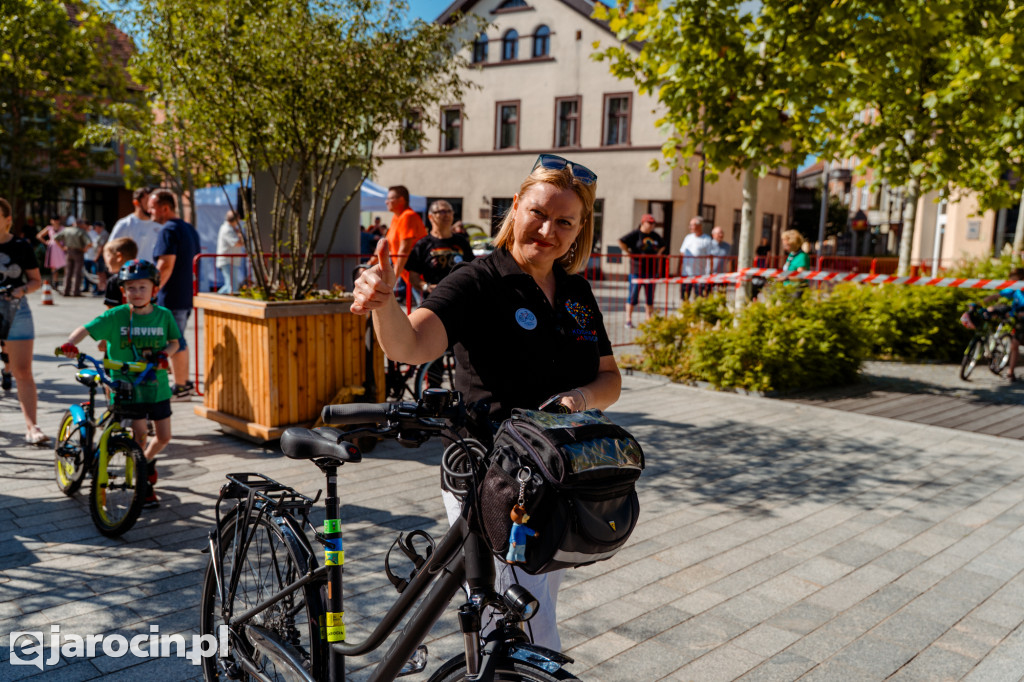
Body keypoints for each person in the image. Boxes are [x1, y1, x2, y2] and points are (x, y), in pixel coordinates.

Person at [351, 153, 621, 652]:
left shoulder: (577, 290)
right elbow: (410, 346)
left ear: (580, 229)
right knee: (523, 622)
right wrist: (384, 303)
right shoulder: (477, 281)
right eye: (538, 213)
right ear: (515, 208)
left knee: (535, 596)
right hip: (489, 475)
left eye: (565, 221)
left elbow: (608, 378)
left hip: (556, 477)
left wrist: (577, 399)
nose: (547, 230)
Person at [60, 260, 180, 509]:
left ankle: (143, 463)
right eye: (130, 288)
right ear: (123, 291)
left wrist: (164, 354)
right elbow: (86, 328)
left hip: (157, 386)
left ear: (154, 290)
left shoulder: (164, 315)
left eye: (142, 287)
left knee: (164, 437)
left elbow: (175, 342)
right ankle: (140, 474)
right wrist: (69, 344)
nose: (136, 292)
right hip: (125, 385)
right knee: (140, 434)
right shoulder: (116, 316)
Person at [0, 197, 47, 444]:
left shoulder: (21, 246)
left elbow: (36, 281)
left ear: (7, 220)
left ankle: (32, 427)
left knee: (22, 371)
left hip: (16, 309)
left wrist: (21, 291)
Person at [150, 189, 200, 400]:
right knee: (178, 338)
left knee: (175, 340)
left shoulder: (168, 230)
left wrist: (152, 291)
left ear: (165, 208)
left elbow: (165, 265)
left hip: (172, 295)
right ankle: (183, 383)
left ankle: (181, 387)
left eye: (152, 207)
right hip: (186, 293)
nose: (150, 211)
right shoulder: (189, 228)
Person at [368, 185, 427, 305]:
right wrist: (369, 264)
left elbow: (404, 248)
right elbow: (385, 244)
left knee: (427, 308)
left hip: (419, 275)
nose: (386, 202)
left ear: (401, 200)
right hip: (408, 275)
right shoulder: (397, 217)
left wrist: (393, 277)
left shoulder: (407, 216)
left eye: (390, 199)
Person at [406, 199, 474, 296]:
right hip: (435, 300)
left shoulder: (462, 241)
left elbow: (471, 268)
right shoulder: (422, 244)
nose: (447, 215)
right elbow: (413, 276)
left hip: (461, 297)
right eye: (442, 211)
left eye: (449, 211)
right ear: (431, 217)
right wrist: (426, 286)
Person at [618, 213, 666, 327]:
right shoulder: (636, 234)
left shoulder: (655, 235)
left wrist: (658, 254)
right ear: (643, 223)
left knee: (650, 296)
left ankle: (649, 319)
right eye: (649, 223)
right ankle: (628, 320)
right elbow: (621, 241)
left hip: (651, 270)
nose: (652, 225)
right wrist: (628, 252)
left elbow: (663, 245)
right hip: (637, 270)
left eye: (653, 224)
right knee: (633, 295)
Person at [982, 267, 1024, 383]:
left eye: (1014, 280)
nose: (1011, 282)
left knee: (1015, 344)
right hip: (1019, 319)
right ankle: (1011, 372)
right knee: (1014, 344)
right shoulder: (1015, 289)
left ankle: (1010, 371)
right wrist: (981, 303)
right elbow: (998, 295)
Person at [108, 187, 163, 262]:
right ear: (136, 203)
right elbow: (110, 250)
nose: (151, 206)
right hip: (131, 272)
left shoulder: (159, 226)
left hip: (152, 272)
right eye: (147, 201)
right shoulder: (125, 224)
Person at [55, 219, 90, 297]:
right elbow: (89, 243)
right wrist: (84, 249)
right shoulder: (81, 231)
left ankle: (66, 291)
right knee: (77, 273)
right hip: (78, 252)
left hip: (68, 252)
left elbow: (55, 238)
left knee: (68, 272)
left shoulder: (66, 230)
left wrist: (62, 247)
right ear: (80, 224)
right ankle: (75, 291)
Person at [679, 216, 712, 300]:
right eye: (690, 225)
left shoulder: (707, 239)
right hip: (686, 274)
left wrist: (709, 273)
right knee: (684, 297)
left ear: (699, 226)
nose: (690, 227)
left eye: (692, 225)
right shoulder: (688, 238)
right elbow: (682, 253)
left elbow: (710, 257)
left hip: (700, 275)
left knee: (699, 298)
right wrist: (679, 269)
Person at [215, 210, 246, 294]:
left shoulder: (231, 229)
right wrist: (240, 235)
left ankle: (216, 299)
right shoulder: (227, 229)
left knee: (230, 285)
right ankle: (216, 300)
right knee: (233, 287)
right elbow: (238, 243)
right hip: (228, 260)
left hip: (230, 260)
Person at [102, 237, 138, 308]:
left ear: (119, 256)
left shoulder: (114, 281)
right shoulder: (145, 277)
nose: (105, 260)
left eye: (108, 255)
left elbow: (111, 311)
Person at [36, 216, 66, 288]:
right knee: (53, 266)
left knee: (65, 265)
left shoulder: (63, 228)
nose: (56, 221)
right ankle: (55, 282)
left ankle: (66, 282)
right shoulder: (49, 228)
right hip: (53, 248)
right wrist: (46, 242)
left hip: (61, 248)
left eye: (57, 220)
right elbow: (39, 236)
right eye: (54, 220)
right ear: (51, 221)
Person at [780, 229, 811, 295]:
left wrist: (785, 278)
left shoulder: (802, 256)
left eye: (786, 245)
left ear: (793, 244)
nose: (784, 247)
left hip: (797, 290)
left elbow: (800, 276)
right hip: (788, 288)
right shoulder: (791, 254)